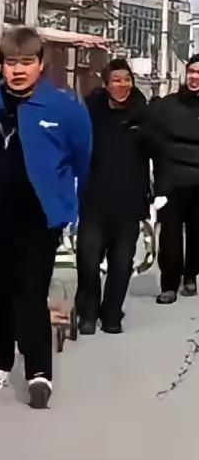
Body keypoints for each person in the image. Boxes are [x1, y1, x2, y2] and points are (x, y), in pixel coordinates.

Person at [0, 26, 91, 410]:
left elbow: (82, 158)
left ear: (41, 64)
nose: (18, 70)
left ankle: (38, 372)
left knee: (31, 292)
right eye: (11, 62)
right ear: (2, 65)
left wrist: (69, 203)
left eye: (27, 62)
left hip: (38, 217)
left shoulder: (63, 110)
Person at [74, 59, 150, 334]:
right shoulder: (89, 113)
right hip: (94, 201)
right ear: (106, 84)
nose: (122, 85)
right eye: (116, 80)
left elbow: (161, 150)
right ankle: (87, 311)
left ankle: (111, 313)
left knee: (121, 263)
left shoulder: (143, 115)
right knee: (87, 261)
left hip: (129, 203)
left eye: (127, 79)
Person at [146, 54, 199, 304]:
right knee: (170, 236)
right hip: (170, 180)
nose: (195, 77)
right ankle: (169, 284)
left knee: (197, 234)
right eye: (192, 72)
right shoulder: (166, 106)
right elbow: (149, 137)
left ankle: (190, 275)